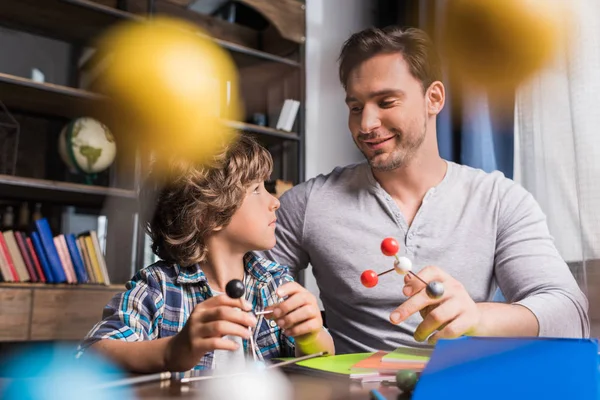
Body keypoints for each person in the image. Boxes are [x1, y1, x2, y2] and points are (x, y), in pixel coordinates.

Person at [261, 26, 589, 354]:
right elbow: (248, 293)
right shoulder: (307, 204)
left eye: (386, 101)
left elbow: (571, 315)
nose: (366, 125)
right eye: (356, 107)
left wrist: (478, 318)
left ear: (433, 98)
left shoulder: (499, 199)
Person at [76, 135, 335, 373]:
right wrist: (173, 350)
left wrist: (311, 335)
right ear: (209, 214)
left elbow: (321, 365)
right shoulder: (158, 288)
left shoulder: (275, 284)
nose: (275, 201)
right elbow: (92, 354)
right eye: (256, 190)